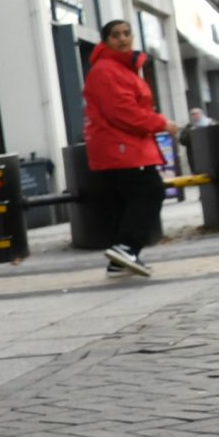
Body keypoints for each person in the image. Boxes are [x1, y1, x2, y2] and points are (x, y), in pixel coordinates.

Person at [82, 18, 170, 277]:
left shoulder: (120, 69)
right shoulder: (107, 70)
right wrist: (162, 123)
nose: (123, 38)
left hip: (122, 146)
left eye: (127, 33)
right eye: (115, 35)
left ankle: (120, 260)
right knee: (151, 191)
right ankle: (126, 248)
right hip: (122, 147)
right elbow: (123, 112)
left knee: (128, 200)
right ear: (105, 40)